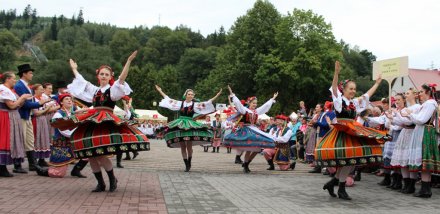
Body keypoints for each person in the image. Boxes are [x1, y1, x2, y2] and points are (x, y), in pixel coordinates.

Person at [52, 51, 150, 192]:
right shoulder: (95, 90)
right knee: (90, 154)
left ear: (110, 77)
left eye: (106, 74)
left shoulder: (113, 89)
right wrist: (74, 69)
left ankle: (112, 179)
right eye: (101, 74)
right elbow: (82, 81)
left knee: (101, 154)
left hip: (105, 122)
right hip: (93, 121)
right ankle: (100, 183)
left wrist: (128, 61)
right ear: (98, 76)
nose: (104, 76)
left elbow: (122, 78)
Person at [316, 61, 388, 200]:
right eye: (351, 89)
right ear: (344, 89)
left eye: (355, 89)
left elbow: (366, 95)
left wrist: (377, 84)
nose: (353, 91)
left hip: (351, 131)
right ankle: (340, 188)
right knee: (347, 161)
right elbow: (334, 88)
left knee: (350, 161)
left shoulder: (354, 103)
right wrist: (336, 73)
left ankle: (334, 183)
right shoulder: (339, 101)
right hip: (342, 132)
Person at [155, 85, 221, 172]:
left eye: (192, 94)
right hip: (181, 123)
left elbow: (208, 102)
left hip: (190, 123)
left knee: (189, 146)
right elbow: (168, 99)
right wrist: (160, 91)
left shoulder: (195, 105)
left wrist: (217, 95)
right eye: (189, 94)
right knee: (182, 146)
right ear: (185, 95)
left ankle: (189, 160)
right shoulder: (180, 103)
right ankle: (186, 163)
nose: (191, 96)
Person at [223, 85, 278, 173]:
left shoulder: (256, 111)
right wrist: (232, 94)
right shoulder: (245, 110)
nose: (255, 105)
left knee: (257, 148)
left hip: (254, 129)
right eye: (253, 103)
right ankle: (246, 164)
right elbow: (238, 104)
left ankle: (246, 163)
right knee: (249, 148)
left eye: (256, 103)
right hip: (246, 129)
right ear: (249, 103)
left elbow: (265, 106)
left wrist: (272, 99)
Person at [35, 93, 89, 178]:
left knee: (88, 152)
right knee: (58, 174)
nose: (69, 100)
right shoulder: (58, 114)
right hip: (62, 144)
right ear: (61, 103)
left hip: (71, 140)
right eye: (66, 99)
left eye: (70, 99)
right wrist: (77, 134)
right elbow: (64, 131)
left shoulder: (71, 113)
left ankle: (76, 170)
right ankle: (42, 171)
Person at [402, 83, 439, 198]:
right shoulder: (427, 104)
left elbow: (422, 119)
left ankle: (426, 189)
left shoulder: (430, 104)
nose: (419, 95)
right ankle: (425, 189)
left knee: (424, 161)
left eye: (421, 92)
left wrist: (410, 114)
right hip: (423, 132)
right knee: (424, 163)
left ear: (428, 92)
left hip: (425, 133)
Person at [14, 64, 50, 172]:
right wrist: (39, 103)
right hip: (22, 116)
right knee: (20, 140)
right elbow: (24, 104)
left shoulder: (25, 86)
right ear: (24, 74)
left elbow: (28, 103)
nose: (32, 74)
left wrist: (38, 104)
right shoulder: (19, 86)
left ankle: (32, 164)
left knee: (29, 140)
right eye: (30, 72)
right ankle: (17, 165)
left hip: (27, 116)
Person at [0, 72, 32, 176]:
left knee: (8, 140)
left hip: (10, 116)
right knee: (4, 140)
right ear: (8, 79)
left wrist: (23, 100)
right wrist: (22, 98)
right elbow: (11, 106)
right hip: (5, 116)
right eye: (13, 78)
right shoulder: (3, 89)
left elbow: (16, 105)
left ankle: (3, 167)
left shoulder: (9, 90)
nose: (15, 80)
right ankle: (2, 168)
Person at [390, 88, 421, 194]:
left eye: (408, 93)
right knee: (402, 159)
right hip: (405, 133)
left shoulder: (417, 107)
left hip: (412, 133)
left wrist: (398, 115)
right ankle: (406, 184)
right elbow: (401, 122)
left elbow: (409, 121)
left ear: (414, 95)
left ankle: (411, 185)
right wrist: (392, 118)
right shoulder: (406, 108)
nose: (406, 95)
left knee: (409, 160)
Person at [31, 84, 54, 167]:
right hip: (36, 120)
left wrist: (46, 109)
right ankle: (34, 160)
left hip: (43, 119)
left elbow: (44, 111)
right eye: (40, 89)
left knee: (43, 138)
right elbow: (36, 113)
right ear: (35, 90)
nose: (42, 91)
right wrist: (48, 108)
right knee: (37, 138)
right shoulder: (33, 99)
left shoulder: (41, 99)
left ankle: (42, 159)